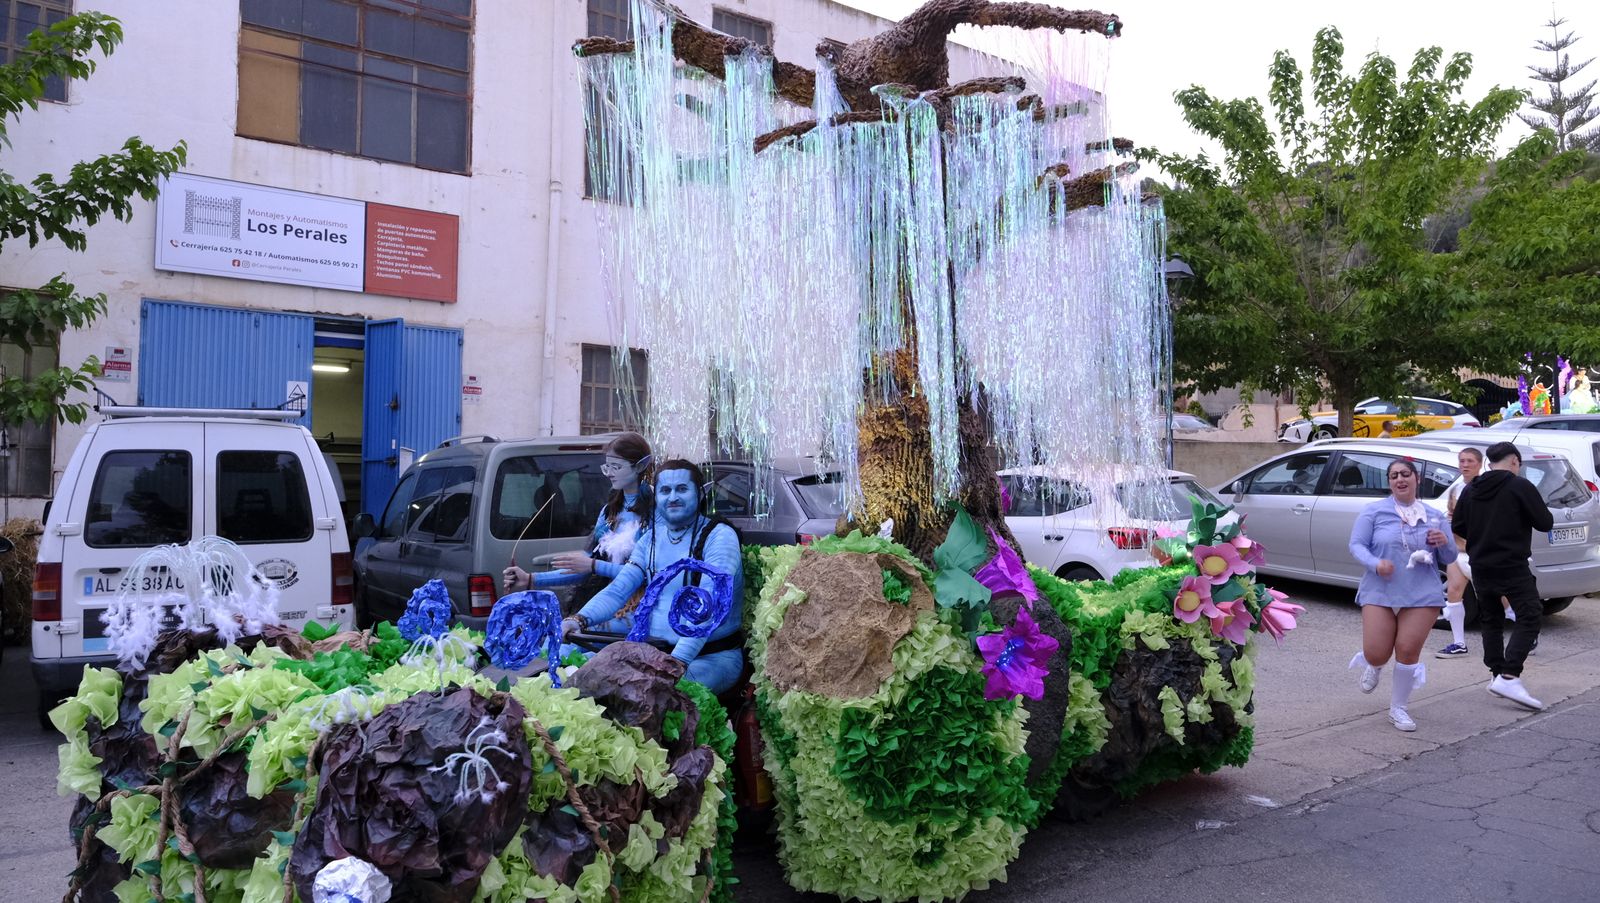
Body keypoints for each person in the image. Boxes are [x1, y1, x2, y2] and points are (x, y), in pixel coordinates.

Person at [564, 459, 745, 693]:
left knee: (649, 693)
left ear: (700, 494)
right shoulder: (650, 540)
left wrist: (675, 664)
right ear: (656, 497)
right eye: (665, 490)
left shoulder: (719, 537)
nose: (673, 498)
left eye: (682, 489)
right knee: (573, 673)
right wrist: (577, 620)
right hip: (653, 656)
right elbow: (619, 590)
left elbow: (709, 608)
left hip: (710, 660)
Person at [1347, 457, 1456, 732]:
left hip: (1422, 591)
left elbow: (1450, 555)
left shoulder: (1434, 515)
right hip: (1380, 587)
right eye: (1394, 475)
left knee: (1407, 650)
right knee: (1376, 652)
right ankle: (1374, 664)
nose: (1399, 479)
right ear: (1390, 483)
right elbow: (1356, 545)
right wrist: (1376, 564)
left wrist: (1444, 542)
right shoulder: (1374, 511)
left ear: (1416, 479)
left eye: (1405, 474)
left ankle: (1399, 708)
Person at [1451, 441, 1553, 710]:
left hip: (1481, 565)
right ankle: (1509, 675)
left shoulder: (1472, 488)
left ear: (1489, 463)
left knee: (1492, 620)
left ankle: (1496, 675)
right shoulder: (1520, 486)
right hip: (1511, 565)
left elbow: (1458, 525)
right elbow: (1545, 522)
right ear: (1515, 462)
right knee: (1530, 615)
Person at [502, 432, 654, 602]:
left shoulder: (656, 512)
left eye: (616, 467)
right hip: (608, 605)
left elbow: (650, 573)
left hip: (644, 609)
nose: (609, 473)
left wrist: (595, 566)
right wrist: (530, 578)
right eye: (607, 467)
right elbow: (586, 566)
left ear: (640, 466)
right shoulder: (609, 511)